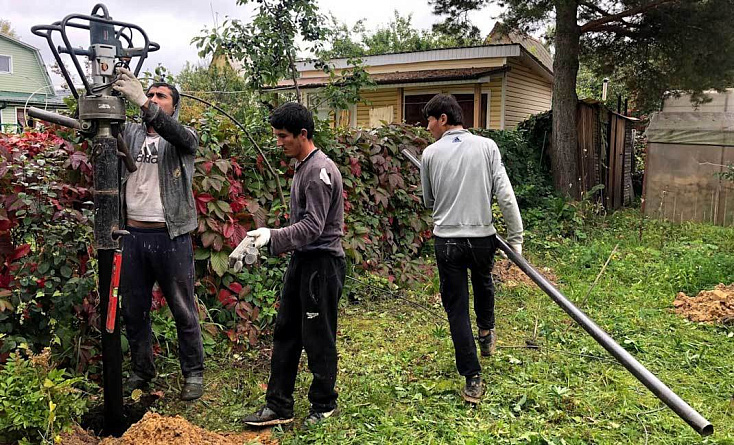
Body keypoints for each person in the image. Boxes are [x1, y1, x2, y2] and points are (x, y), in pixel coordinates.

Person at [230, 102, 346, 428]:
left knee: (318, 336)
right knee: (286, 332)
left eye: (283, 137)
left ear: (303, 134)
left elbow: (313, 227)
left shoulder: (318, 173)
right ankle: (278, 405)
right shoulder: (301, 166)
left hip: (322, 265)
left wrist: (273, 235)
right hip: (303, 261)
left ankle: (324, 405)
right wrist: (266, 241)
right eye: (276, 136)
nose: (278, 142)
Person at [420, 94, 523, 403]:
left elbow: (428, 201)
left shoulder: (429, 155)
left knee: (456, 308)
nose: (428, 128)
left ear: (442, 119)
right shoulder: (487, 146)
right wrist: (515, 238)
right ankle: (487, 331)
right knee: (483, 281)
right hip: (482, 237)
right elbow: (504, 194)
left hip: (447, 240)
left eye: (429, 121)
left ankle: (472, 377)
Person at [113, 68, 204, 401]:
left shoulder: (183, 137)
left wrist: (139, 101)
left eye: (160, 96)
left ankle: (193, 373)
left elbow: (180, 136)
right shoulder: (131, 134)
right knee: (134, 309)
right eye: (148, 94)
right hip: (133, 234)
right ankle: (141, 371)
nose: (151, 99)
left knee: (182, 307)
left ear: (174, 106)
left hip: (171, 236)